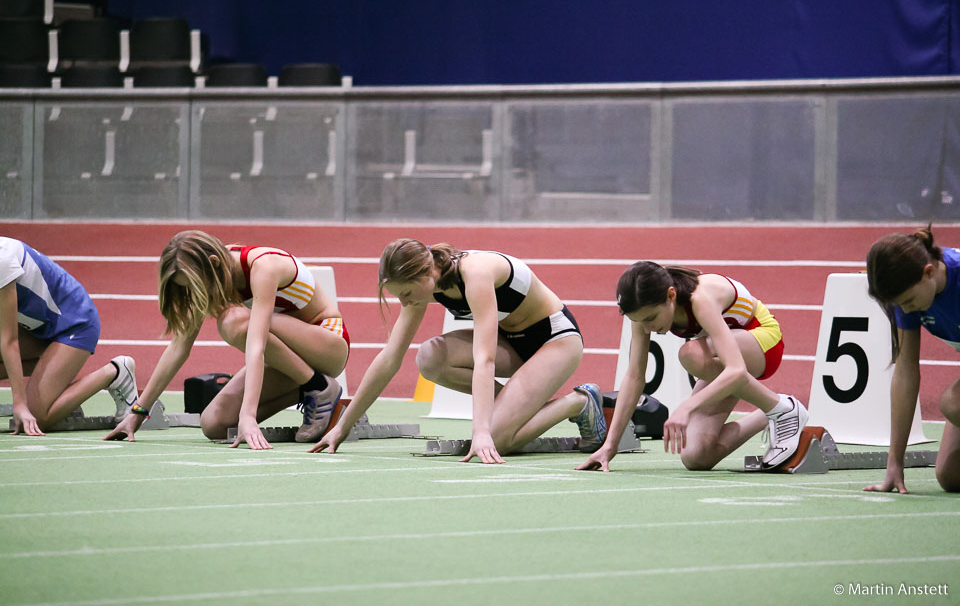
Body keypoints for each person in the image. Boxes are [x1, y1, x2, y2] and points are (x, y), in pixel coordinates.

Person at [310, 239, 605, 463]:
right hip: (512, 343)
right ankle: (514, 408)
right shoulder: (425, 285)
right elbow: (390, 358)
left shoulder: (476, 273)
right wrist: (341, 427)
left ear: (426, 273)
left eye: (407, 293)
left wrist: (481, 431)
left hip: (554, 342)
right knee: (430, 357)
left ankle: (578, 402)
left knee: (497, 439)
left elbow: (484, 357)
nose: (405, 302)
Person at [105, 230, 348, 449]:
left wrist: (248, 416)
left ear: (213, 264)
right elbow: (179, 347)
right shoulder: (211, 269)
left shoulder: (264, 267)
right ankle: (318, 390)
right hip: (288, 358)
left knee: (234, 321)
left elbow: (256, 346)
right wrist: (138, 411)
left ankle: (318, 387)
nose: (195, 294)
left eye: (195, 285)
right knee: (214, 424)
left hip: (327, 345)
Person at [578, 261, 807, 473]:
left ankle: (782, 410)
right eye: (639, 321)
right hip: (723, 356)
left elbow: (736, 370)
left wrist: (686, 407)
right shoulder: (642, 314)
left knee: (691, 355)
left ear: (671, 295)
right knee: (696, 456)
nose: (647, 328)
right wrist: (610, 445)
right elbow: (635, 376)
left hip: (763, 341)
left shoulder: (701, 299)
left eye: (651, 318)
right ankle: (770, 413)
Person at [0, 236, 138, 435]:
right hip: (37, 328)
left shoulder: (2, 260)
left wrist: (20, 403)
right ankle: (54, 383)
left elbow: (9, 340)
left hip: (75, 324)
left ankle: (115, 372)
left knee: (37, 417)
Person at [864, 226, 960, 494]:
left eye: (907, 301)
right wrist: (894, 462)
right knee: (951, 476)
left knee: (954, 403)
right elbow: (905, 373)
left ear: (928, 272)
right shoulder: (909, 296)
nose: (905, 311)